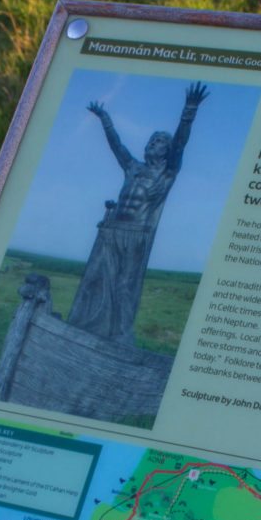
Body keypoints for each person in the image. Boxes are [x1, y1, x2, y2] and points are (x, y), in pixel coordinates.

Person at [67, 82, 209, 343]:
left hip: (136, 234)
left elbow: (180, 143)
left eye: (159, 142)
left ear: (166, 151)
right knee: (96, 278)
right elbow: (117, 146)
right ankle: (81, 324)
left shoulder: (167, 173)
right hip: (111, 230)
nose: (153, 144)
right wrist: (105, 119)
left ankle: (120, 334)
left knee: (125, 286)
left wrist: (189, 110)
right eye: (151, 140)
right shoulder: (132, 167)